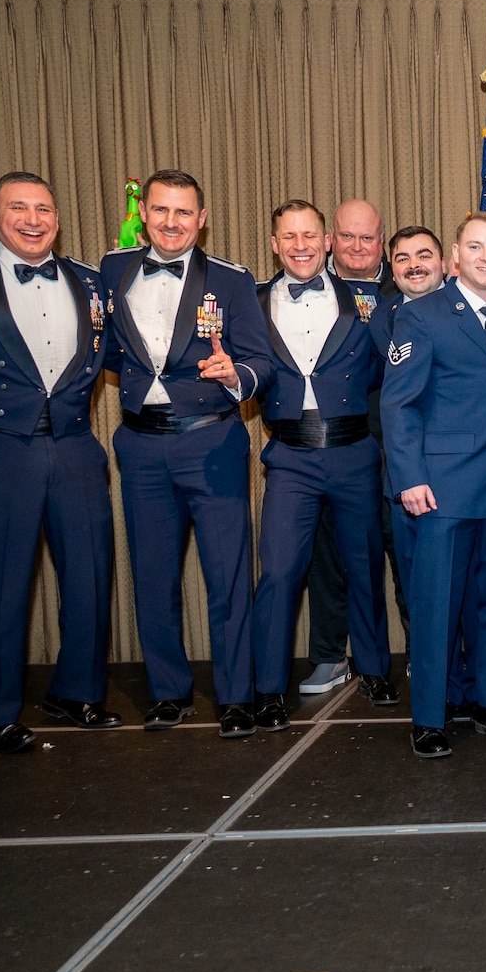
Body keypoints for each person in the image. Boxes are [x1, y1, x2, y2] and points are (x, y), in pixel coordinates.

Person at [0, 171, 119, 749]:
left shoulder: (89, 279)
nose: (33, 220)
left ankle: (78, 692)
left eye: (44, 209)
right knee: (0, 580)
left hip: (76, 441)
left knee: (90, 573)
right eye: (18, 208)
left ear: (58, 218)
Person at [99, 169, 273, 738]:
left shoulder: (231, 280)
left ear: (202, 219)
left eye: (183, 212)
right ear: (144, 214)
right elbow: (101, 347)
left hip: (211, 441)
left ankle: (237, 696)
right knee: (153, 577)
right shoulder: (111, 270)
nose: (171, 222)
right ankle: (168, 692)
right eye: (160, 210)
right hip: (140, 446)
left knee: (228, 576)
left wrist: (236, 373)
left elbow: (261, 361)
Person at [384, 213, 486, 758]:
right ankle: (430, 717)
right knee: (438, 606)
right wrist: (409, 477)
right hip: (445, 487)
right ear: (456, 257)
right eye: (476, 247)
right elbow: (400, 404)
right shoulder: (421, 316)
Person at [249, 200, 398, 731]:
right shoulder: (252, 300)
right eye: (289, 237)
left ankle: (375, 668)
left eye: (309, 235)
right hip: (290, 456)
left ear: (326, 242)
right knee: (280, 571)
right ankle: (269, 688)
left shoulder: (366, 300)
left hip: (354, 451)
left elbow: (384, 368)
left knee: (365, 565)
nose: (301, 246)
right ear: (275, 244)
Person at [302, 198, 391, 695]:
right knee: (329, 559)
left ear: (382, 242)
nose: (358, 247)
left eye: (368, 237)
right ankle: (329, 656)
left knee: (406, 556)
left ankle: (424, 652)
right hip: (331, 448)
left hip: (400, 451)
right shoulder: (307, 288)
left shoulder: (409, 285)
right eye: (348, 236)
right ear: (331, 239)